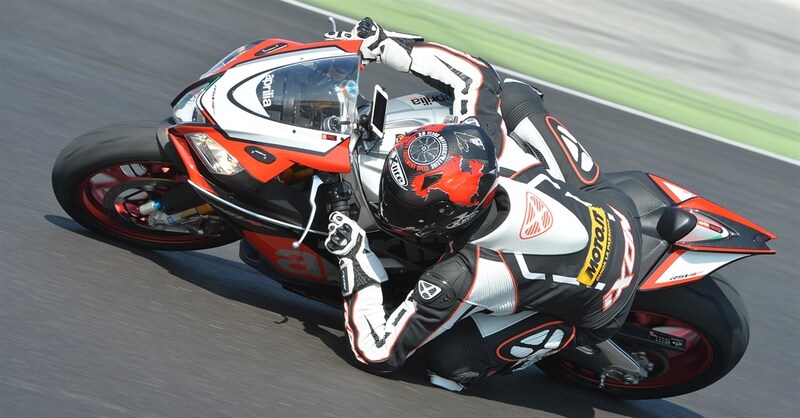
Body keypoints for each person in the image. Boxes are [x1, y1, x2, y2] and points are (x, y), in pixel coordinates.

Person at [324, 18, 642, 391]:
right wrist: (387, 46)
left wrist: (354, 256)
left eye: (407, 207)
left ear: (447, 220)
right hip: (611, 208)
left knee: (447, 361)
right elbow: (476, 75)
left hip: (604, 303)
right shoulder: (487, 145)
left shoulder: (460, 276)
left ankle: (565, 336)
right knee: (512, 95)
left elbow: (377, 353)